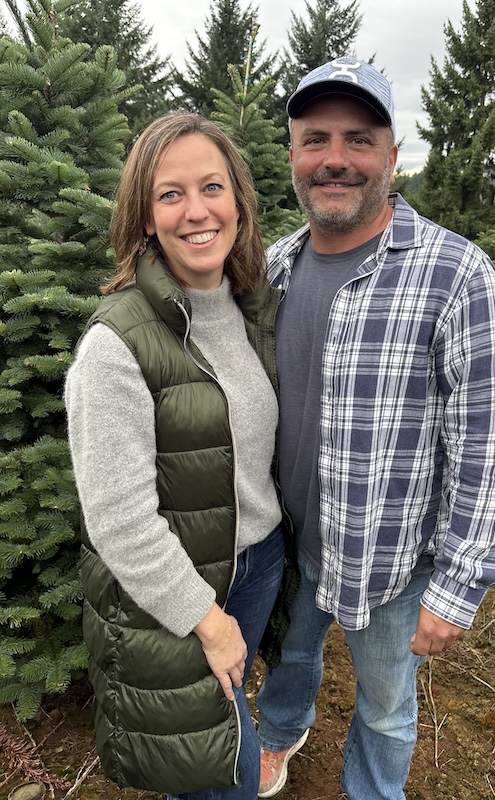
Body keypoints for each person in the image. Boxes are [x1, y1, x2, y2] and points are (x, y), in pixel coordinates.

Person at [256, 56, 495, 800]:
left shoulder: (457, 274)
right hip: (288, 536)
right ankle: (279, 735)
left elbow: (489, 441)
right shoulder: (275, 266)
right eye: (316, 139)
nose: (335, 158)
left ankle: (373, 791)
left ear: (392, 156)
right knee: (291, 656)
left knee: (384, 703)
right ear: (293, 156)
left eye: (359, 138)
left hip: (391, 560)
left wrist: (459, 586)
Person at [64, 112, 296, 799]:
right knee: (222, 772)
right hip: (181, 592)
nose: (197, 211)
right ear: (144, 217)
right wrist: (207, 619)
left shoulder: (253, 309)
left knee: (202, 747)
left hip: (256, 563)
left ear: (238, 204)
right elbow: (119, 520)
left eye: (212, 188)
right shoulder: (116, 345)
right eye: (171, 194)